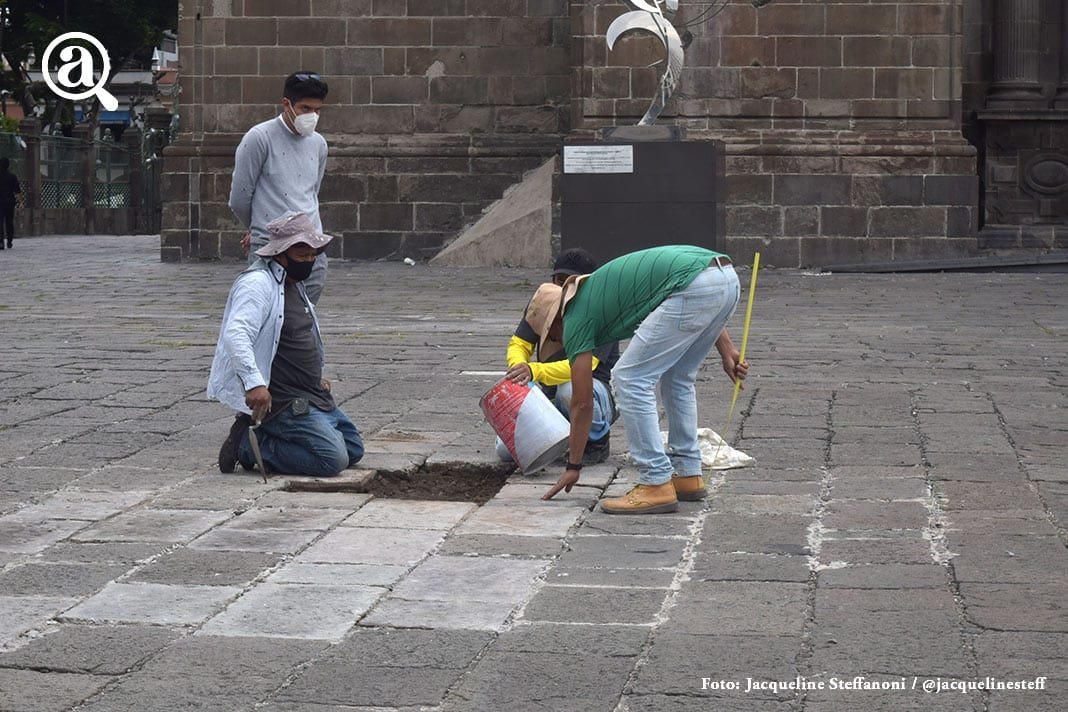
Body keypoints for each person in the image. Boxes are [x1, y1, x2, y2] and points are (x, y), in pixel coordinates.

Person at [527, 245, 748, 514]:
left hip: (694, 283)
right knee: (678, 376)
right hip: (724, 277)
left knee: (629, 378)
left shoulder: (575, 317)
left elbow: (582, 402)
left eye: (553, 337)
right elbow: (699, 283)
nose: (561, 343)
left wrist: (573, 466)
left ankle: (655, 481)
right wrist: (727, 349)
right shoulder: (605, 292)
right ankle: (688, 473)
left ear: (555, 325)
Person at [208, 211, 363, 477]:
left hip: (311, 393)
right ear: (281, 255)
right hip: (283, 400)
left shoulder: (294, 284)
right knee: (332, 460)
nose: (309, 262)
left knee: (353, 450)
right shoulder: (258, 284)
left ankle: (276, 434)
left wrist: (314, 376)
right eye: (303, 256)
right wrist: (254, 383)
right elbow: (237, 333)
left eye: (313, 255)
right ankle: (247, 445)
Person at [498, 248, 619, 464]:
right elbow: (520, 343)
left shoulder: (603, 311)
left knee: (570, 388)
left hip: (591, 395)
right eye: (559, 280)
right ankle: (562, 437)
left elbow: (585, 366)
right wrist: (519, 368)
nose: (563, 288)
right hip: (549, 396)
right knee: (505, 452)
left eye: (572, 282)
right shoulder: (543, 301)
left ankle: (596, 441)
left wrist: (535, 370)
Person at [229, 72, 330, 304]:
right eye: (305, 108)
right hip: (271, 246)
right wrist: (257, 227)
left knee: (304, 316)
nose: (312, 116)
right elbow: (239, 197)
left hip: (311, 246)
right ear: (287, 104)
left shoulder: (318, 144)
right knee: (268, 313)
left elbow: (312, 191)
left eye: (318, 110)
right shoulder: (259, 138)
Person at [0, 157, 23, 250]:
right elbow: (17, 191)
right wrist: (21, 202)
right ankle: (9, 241)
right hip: (10, 202)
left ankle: (0, 242)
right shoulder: (12, 176)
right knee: (9, 222)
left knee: (0, 222)